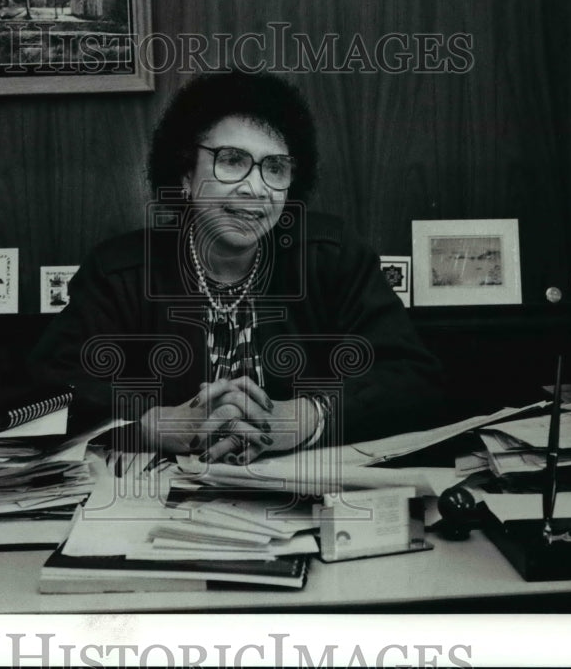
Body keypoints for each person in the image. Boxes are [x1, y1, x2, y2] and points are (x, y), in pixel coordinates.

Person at [29, 70, 445, 463]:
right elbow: (48, 387)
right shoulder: (119, 271)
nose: (255, 188)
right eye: (231, 160)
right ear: (185, 175)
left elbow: (413, 377)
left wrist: (307, 417)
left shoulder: (331, 256)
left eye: (276, 168)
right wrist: (151, 423)